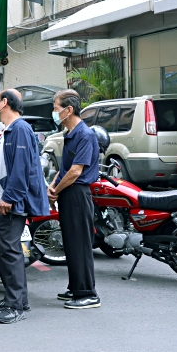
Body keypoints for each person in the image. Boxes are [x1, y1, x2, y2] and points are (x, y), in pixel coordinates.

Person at [0, 89, 51, 324]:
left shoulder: (20, 129)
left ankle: (16, 307)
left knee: (10, 252)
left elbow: (22, 168)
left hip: (7, 202)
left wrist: (9, 197)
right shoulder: (9, 130)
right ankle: (16, 298)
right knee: (5, 252)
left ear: (4, 103)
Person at [48, 89, 101, 310]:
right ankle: (75, 286)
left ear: (69, 110)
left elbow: (75, 172)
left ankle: (88, 293)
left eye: (56, 108)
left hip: (78, 193)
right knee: (71, 243)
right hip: (68, 192)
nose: (54, 112)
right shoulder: (70, 134)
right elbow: (64, 169)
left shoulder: (85, 135)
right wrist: (53, 186)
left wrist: (57, 190)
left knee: (80, 244)